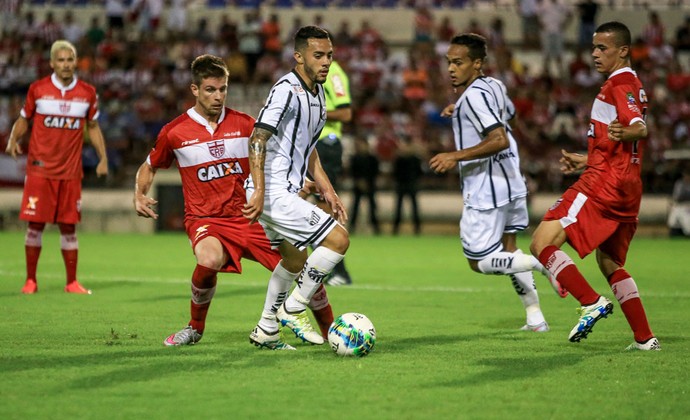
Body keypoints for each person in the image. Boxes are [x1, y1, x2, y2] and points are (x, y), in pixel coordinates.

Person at [133, 54, 334, 349]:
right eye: (210, 90)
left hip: (251, 216)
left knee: (301, 266)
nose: (218, 96)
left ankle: (330, 333)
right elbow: (149, 165)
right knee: (209, 259)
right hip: (207, 219)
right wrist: (138, 192)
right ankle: (195, 327)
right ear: (195, 90)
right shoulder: (175, 132)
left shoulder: (245, 124)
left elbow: (278, 150)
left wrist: (297, 178)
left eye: (223, 89)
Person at [529, 22, 660, 351]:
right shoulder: (630, 84)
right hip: (626, 185)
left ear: (623, 51)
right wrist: (587, 158)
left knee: (541, 242)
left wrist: (626, 132)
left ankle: (590, 302)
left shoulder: (620, 84)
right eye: (594, 48)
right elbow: (622, 141)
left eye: (603, 48)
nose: (595, 54)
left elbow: (638, 128)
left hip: (603, 185)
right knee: (610, 263)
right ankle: (645, 339)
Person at [429, 33, 565, 333]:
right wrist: (460, 112)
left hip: (485, 190)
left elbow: (499, 138)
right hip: (512, 183)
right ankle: (535, 317)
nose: (451, 68)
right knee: (509, 248)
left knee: (478, 262)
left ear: (477, 64)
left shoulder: (473, 98)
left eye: (459, 62)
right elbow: (510, 121)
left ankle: (544, 264)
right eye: (449, 62)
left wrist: (455, 155)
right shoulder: (494, 86)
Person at [244, 26, 350, 346]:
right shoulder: (286, 89)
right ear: (299, 56)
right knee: (338, 240)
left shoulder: (318, 96)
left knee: (294, 261)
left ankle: (266, 329)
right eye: (318, 55)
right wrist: (261, 190)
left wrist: (328, 190)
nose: (326, 62)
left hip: (285, 190)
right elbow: (257, 138)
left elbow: (309, 148)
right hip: (272, 190)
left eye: (329, 55)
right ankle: (294, 308)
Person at [5, 40, 108, 295]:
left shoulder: (87, 93)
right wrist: (13, 139)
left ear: (76, 62)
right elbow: (24, 119)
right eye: (60, 60)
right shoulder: (38, 89)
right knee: (35, 225)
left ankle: (72, 282)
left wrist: (102, 158)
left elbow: (93, 128)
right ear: (52, 63)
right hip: (40, 169)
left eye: (70, 60)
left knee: (69, 227)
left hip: (71, 172)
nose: (65, 65)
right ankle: (31, 281)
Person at [313, 59, 355, 286]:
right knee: (306, 208)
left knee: (323, 209)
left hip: (325, 147)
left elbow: (346, 113)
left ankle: (338, 271)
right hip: (308, 146)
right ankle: (318, 269)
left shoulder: (334, 73)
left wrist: (312, 112)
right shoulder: (307, 76)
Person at [349, 137, 380, 235]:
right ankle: (352, 227)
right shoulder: (354, 158)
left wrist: (368, 182)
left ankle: (376, 227)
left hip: (370, 185)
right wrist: (358, 181)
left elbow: (375, 172)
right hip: (357, 186)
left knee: (372, 208)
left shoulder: (373, 158)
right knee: (355, 207)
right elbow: (352, 172)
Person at [392, 137, 423, 236]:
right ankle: (395, 229)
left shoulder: (415, 159)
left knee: (414, 208)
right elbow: (395, 173)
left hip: (412, 185)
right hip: (401, 185)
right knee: (398, 208)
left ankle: (417, 228)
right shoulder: (399, 159)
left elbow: (419, 173)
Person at [668, 167, 690, 237]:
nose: (686, 177)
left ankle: (687, 234)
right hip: (680, 205)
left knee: (687, 222)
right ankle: (674, 234)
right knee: (672, 221)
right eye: (686, 175)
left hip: (688, 205)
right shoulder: (679, 184)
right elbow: (676, 196)